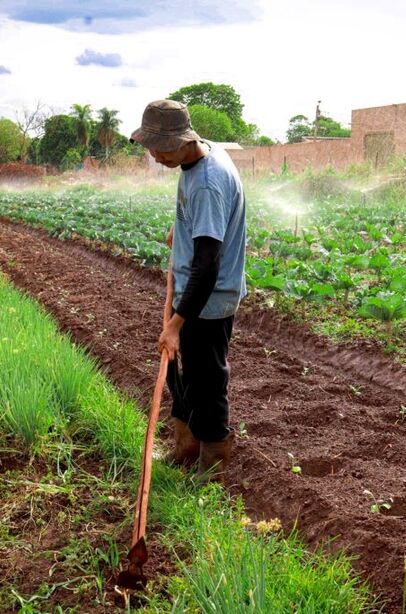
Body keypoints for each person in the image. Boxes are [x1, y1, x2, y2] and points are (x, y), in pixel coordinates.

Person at [130, 100, 247, 482]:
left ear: (184, 140)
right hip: (193, 292)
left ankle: (212, 464)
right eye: (152, 148)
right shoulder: (199, 155)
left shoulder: (208, 183)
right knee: (183, 375)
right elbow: (203, 224)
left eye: (163, 148)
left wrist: (176, 325)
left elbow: (207, 266)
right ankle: (186, 447)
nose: (157, 156)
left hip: (208, 300)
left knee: (207, 382)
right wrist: (180, 230)